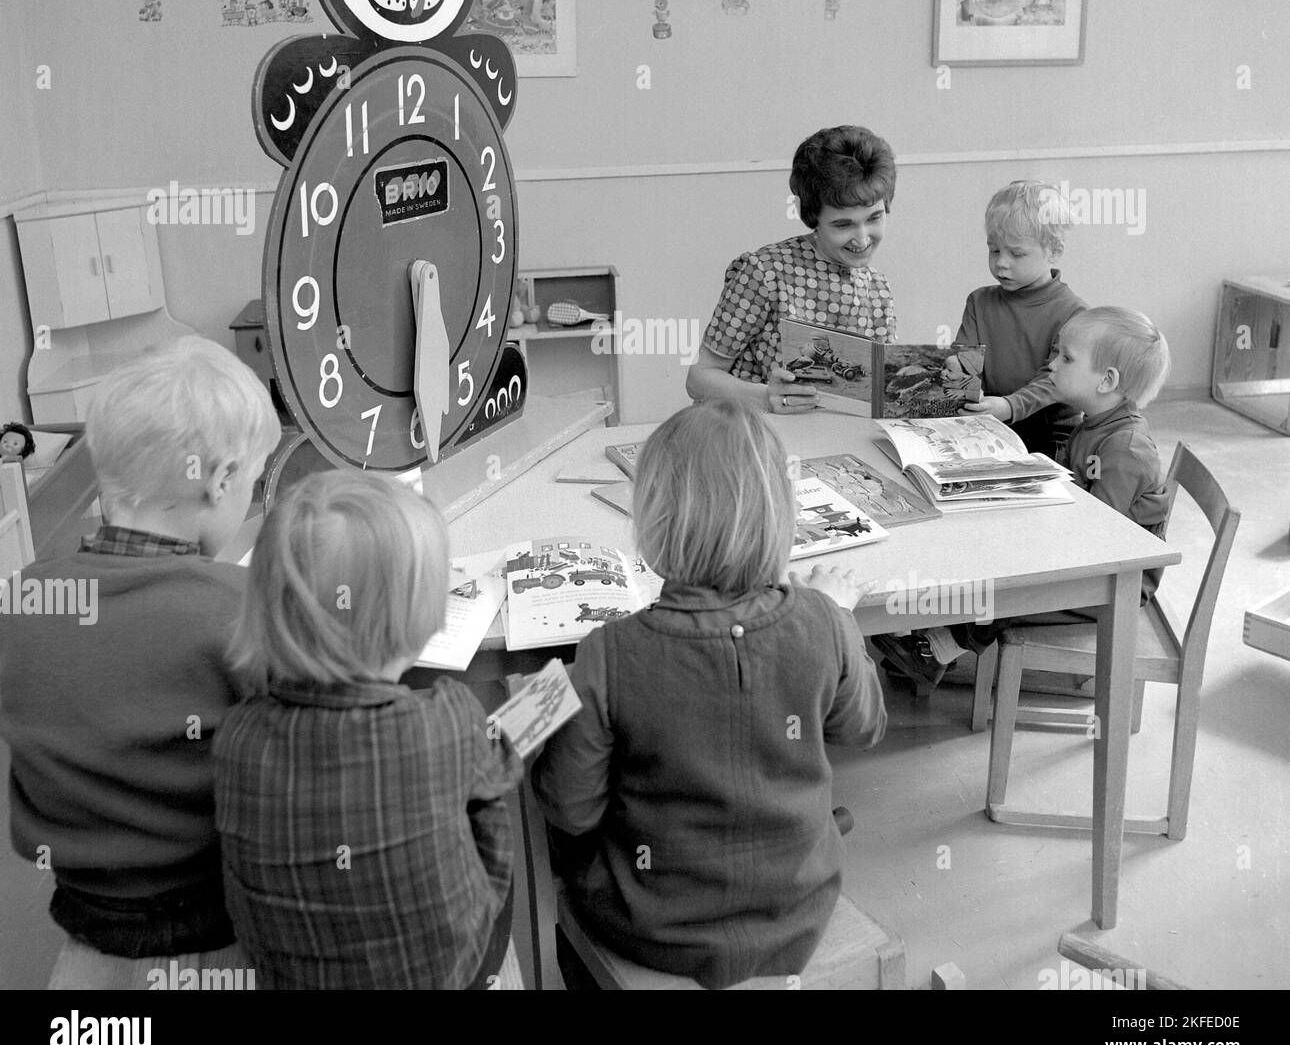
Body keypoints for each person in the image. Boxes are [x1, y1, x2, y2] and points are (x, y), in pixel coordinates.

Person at [531, 399, 886, 989]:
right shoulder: (824, 622)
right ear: (784, 515)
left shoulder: (609, 652)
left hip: (652, 928)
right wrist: (842, 623)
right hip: (797, 915)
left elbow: (570, 808)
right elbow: (863, 727)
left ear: (650, 525)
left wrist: (554, 704)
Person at [0, 337, 281, 988]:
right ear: (220, 480)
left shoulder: (23, 600)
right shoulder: (237, 608)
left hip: (86, 944)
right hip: (216, 944)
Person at [213, 470, 522, 990]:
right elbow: (498, 782)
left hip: (291, 976)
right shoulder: (447, 716)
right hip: (447, 975)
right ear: (419, 619)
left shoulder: (237, 735)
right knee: (488, 804)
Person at [879, 307, 1171, 688]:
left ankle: (935, 649)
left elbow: (1101, 537)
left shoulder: (1126, 450)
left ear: (1106, 380)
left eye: (1066, 358)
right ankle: (929, 632)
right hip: (1090, 558)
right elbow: (1069, 487)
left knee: (1005, 584)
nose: (1051, 365)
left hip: (1114, 584)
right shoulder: (1096, 423)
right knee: (987, 545)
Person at [687, 125, 897, 414]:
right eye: (843, 224)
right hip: (757, 440)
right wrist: (765, 398)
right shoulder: (763, 272)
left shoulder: (879, 289)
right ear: (812, 216)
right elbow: (698, 380)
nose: (862, 239)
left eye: (874, 218)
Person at [954, 179, 1087, 456]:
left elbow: (1054, 381)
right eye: (994, 250)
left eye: (1017, 253)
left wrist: (1009, 406)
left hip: (1050, 438)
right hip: (989, 425)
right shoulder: (979, 301)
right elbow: (965, 359)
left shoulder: (1074, 313)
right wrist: (954, 370)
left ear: (1054, 251)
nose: (1002, 262)